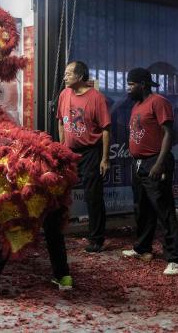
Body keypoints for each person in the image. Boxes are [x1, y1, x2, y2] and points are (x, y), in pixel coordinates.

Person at [122, 67, 178, 276]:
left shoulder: (158, 102)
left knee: (164, 210)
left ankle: (175, 258)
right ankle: (143, 249)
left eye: (131, 85)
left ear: (142, 84)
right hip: (139, 163)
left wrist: (160, 162)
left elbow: (168, 133)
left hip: (155, 161)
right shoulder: (137, 106)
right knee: (142, 208)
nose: (128, 89)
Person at [57, 61, 111, 252]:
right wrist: (61, 146)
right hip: (69, 152)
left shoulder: (96, 98)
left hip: (90, 153)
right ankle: (56, 232)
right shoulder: (64, 95)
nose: (65, 77)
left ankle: (96, 239)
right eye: (65, 73)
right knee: (59, 192)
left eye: (69, 73)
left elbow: (105, 129)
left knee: (93, 196)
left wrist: (105, 159)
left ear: (80, 76)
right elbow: (61, 123)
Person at [0, 207, 72, 300]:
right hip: (52, 187)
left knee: (10, 224)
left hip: (28, 187)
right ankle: (63, 276)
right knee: (53, 221)